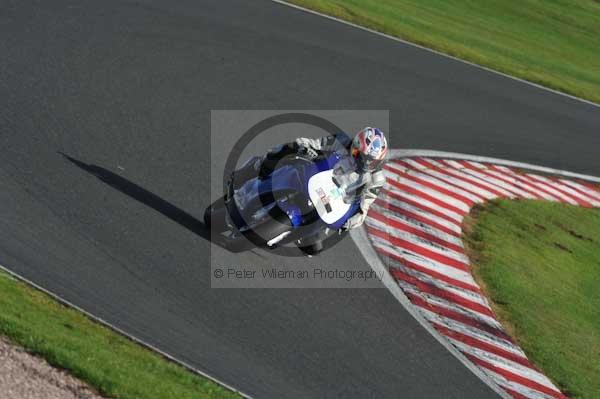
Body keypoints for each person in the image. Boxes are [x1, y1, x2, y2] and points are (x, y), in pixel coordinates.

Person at [232, 127, 388, 231]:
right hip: (315, 173)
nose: (364, 162)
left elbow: (363, 207)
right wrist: (304, 145)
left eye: (370, 161)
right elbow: (316, 143)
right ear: (355, 144)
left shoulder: (376, 180)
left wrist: (351, 222)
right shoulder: (342, 141)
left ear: (378, 161)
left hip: (332, 200)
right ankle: (249, 171)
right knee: (287, 150)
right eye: (359, 155)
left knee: (314, 246)